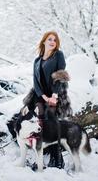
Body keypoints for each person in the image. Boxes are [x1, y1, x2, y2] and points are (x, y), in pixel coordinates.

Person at [33, 31, 66, 168]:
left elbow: (60, 75)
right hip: (41, 97)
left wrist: (53, 95)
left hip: (55, 95)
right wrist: (43, 96)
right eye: (50, 39)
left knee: (52, 125)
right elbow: (35, 81)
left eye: (55, 40)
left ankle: (58, 160)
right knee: (40, 126)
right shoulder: (37, 60)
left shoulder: (58, 55)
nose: (53, 42)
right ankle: (41, 158)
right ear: (44, 41)